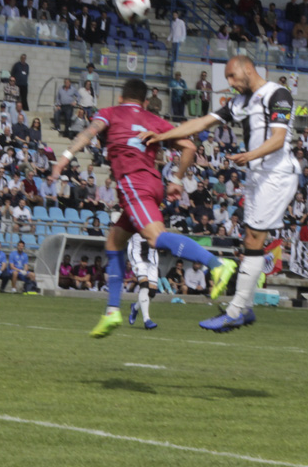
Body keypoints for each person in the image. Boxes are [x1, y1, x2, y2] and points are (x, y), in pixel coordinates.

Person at [51, 78, 235, 338]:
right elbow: (190, 146)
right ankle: (112, 311)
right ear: (145, 101)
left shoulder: (110, 113)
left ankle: (217, 265)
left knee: (156, 237)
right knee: (114, 242)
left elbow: (88, 133)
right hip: (151, 183)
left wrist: (63, 160)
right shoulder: (154, 120)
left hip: (132, 183)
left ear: (120, 98)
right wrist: (177, 179)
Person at [142, 56, 299, 332]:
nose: (230, 83)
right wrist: (161, 136)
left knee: (253, 238)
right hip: (257, 177)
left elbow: (278, 139)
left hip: (277, 175)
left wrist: (250, 155)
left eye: (232, 77)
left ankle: (236, 312)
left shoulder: (278, 94)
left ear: (248, 69)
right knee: (251, 242)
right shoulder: (240, 103)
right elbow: (202, 123)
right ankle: (244, 309)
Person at [126, 233, 159, 330]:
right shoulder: (134, 218)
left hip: (152, 255)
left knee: (152, 293)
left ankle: (135, 307)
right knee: (144, 285)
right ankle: (147, 320)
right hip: (137, 254)